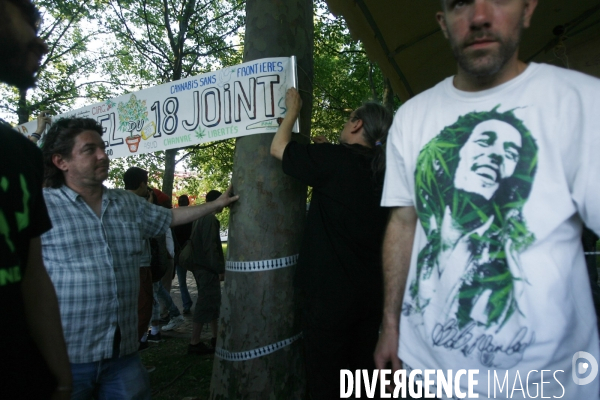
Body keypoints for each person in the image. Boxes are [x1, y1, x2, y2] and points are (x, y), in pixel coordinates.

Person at [376, 0, 600, 397]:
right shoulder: (411, 118)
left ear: (528, 10)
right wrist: (390, 324)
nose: (480, 16)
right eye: (463, 3)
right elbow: (403, 222)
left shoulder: (583, 103)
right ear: (443, 23)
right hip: (425, 374)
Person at [40, 117, 238, 399]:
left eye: (102, 147)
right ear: (61, 161)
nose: (102, 156)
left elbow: (170, 216)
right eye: (89, 149)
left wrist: (216, 204)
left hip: (123, 355)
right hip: (68, 359)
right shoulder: (41, 206)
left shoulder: (126, 202)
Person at [270, 88, 392, 399]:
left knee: (326, 381)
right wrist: (326, 153)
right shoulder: (385, 173)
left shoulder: (334, 162)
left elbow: (279, 148)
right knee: (360, 378)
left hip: (330, 300)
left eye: (348, 118)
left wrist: (292, 113)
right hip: (370, 298)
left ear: (356, 125)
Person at [0, 1, 72, 398]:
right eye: (26, 19)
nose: (40, 43)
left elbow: (32, 274)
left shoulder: (21, 154)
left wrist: (61, 379)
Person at [187, 190, 227, 355]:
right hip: (206, 269)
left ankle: (216, 337)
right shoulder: (209, 219)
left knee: (212, 302)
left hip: (200, 267)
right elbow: (211, 248)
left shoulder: (200, 217)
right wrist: (219, 269)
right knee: (205, 303)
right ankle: (194, 342)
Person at [173, 194, 194, 314]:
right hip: (190, 252)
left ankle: (186, 304)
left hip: (179, 253)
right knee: (197, 278)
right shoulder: (192, 216)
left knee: (182, 282)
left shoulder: (175, 216)